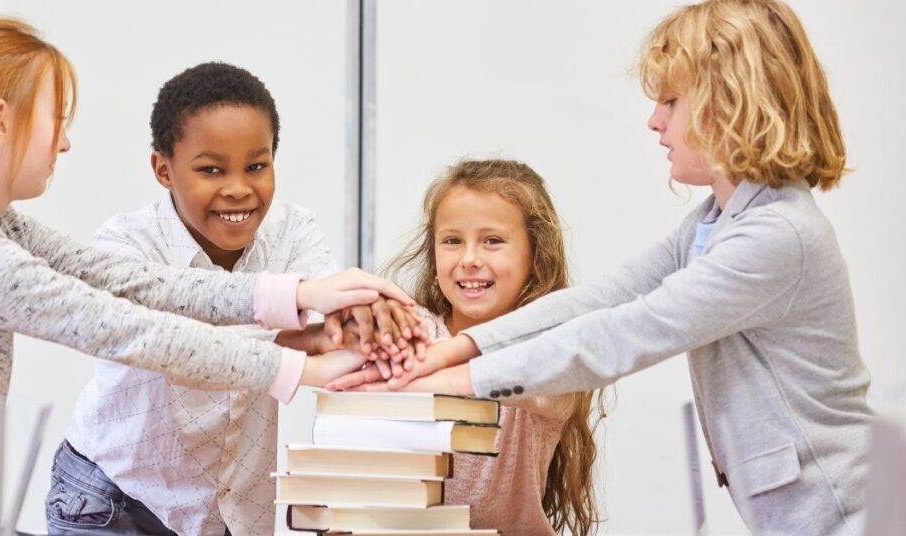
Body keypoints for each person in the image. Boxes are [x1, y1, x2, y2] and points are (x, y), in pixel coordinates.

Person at [351, 1, 874, 533]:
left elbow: (625, 334)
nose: (655, 120)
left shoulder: (774, 237)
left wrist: (452, 381)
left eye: (671, 100)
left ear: (731, 103)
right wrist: (460, 347)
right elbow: (608, 297)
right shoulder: (715, 221)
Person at [0, 18, 405, 534]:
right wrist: (303, 369)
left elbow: (131, 283)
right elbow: (131, 328)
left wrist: (301, 292)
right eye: (55, 120)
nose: (63, 143)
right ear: (0, 122)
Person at [330, 159, 603, 535]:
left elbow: (540, 384)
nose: (470, 260)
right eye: (452, 241)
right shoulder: (415, 330)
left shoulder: (552, 350)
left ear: (535, 257)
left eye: (493, 241)